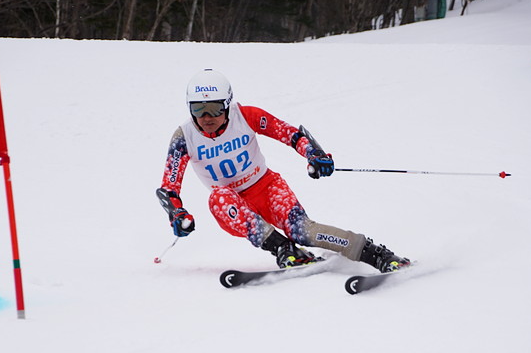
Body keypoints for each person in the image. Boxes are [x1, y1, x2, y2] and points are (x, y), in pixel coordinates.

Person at [156, 69, 410, 273]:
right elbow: (169, 187)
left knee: (304, 231)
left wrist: (314, 154)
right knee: (218, 196)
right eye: (198, 109)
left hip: (267, 188)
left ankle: (373, 253)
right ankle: (283, 249)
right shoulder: (184, 137)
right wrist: (176, 214)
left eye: (215, 108)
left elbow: (288, 133)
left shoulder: (246, 116)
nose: (206, 117)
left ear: (228, 104)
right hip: (233, 207)